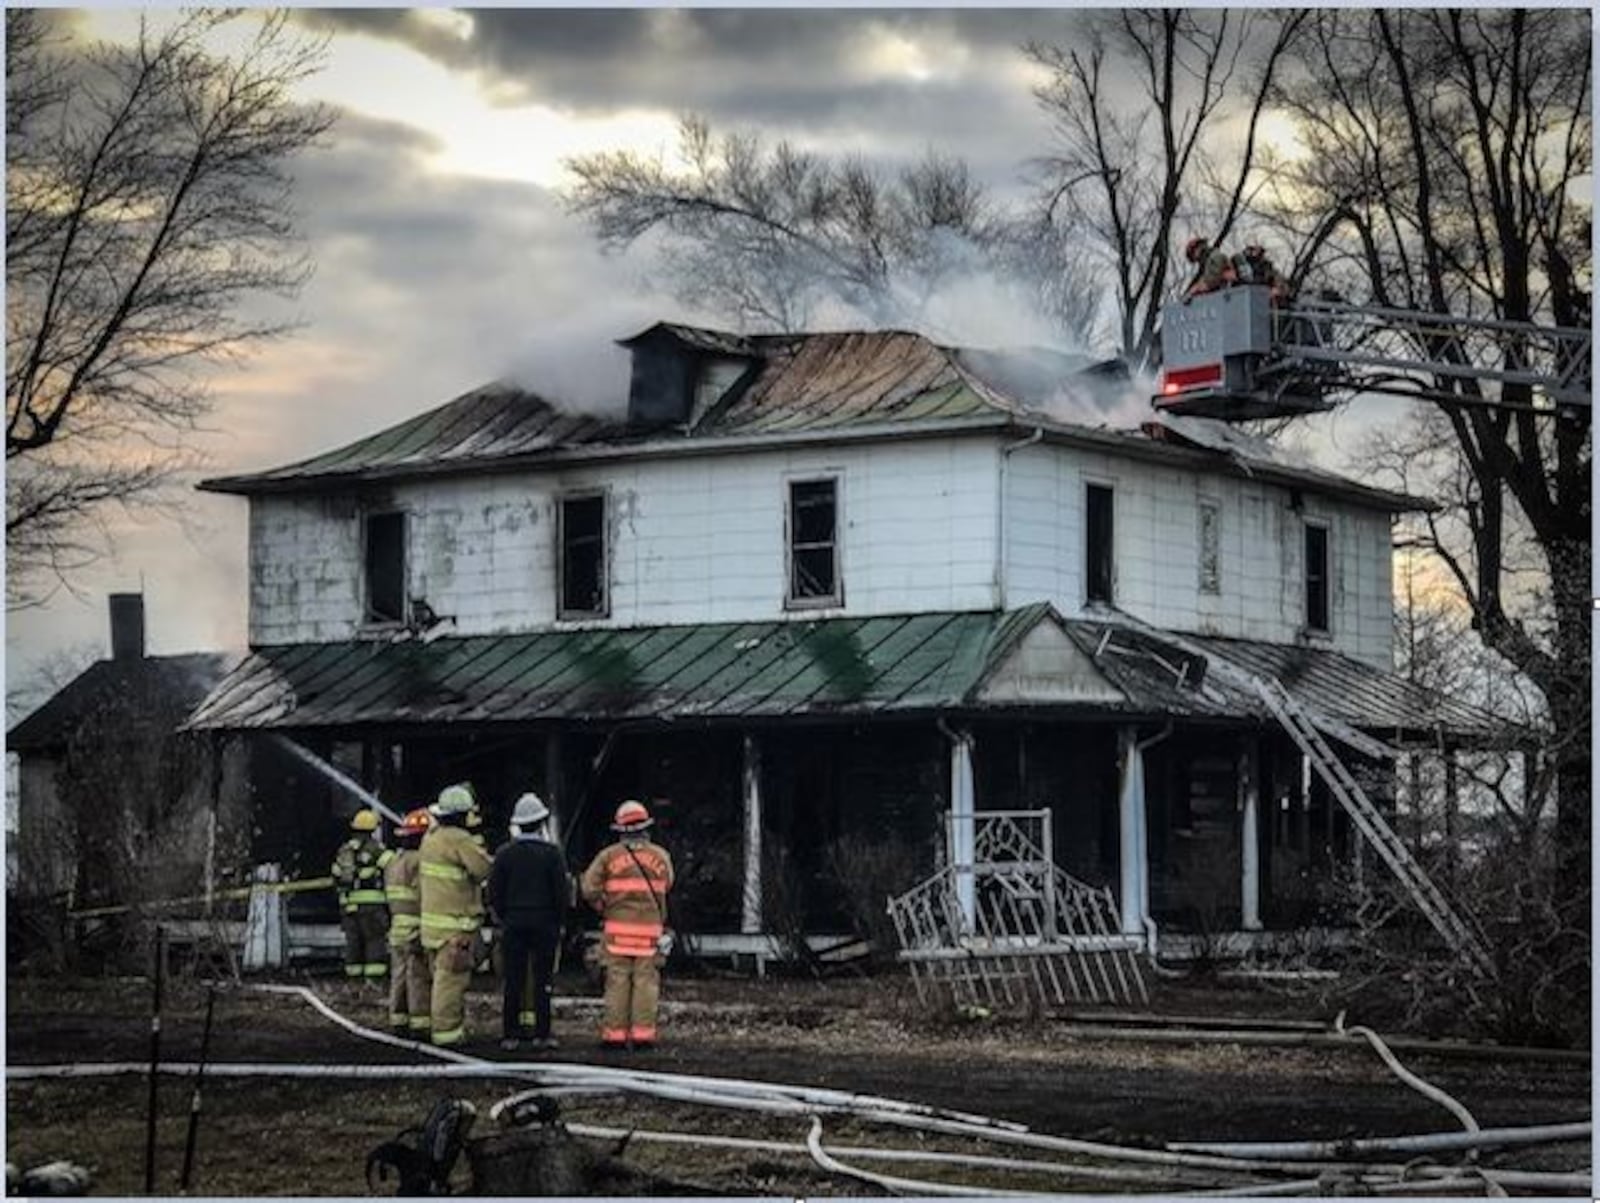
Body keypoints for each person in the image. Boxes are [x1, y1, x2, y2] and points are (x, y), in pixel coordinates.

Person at [580, 800, 674, 1051]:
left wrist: (604, 906)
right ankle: (643, 1036)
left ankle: (614, 1036)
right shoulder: (661, 856)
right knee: (646, 983)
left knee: (617, 982)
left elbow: (588, 888)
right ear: (646, 828)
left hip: (617, 934)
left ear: (620, 830)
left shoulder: (608, 857)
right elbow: (668, 885)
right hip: (649, 934)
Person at [488, 793, 570, 1051]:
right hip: (545, 922)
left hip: (513, 922)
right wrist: (560, 920)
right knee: (542, 979)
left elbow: (494, 892)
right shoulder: (552, 854)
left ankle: (510, 1034)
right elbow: (561, 892)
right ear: (541, 822)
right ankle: (542, 1034)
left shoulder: (504, 854)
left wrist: (504, 916)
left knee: (513, 979)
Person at [419, 784, 492, 1047]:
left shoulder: (430, 839)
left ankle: (439, 1027)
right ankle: (447, 1035)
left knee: (438, 979)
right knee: (450, 984)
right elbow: (483, 870)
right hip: (455, 930)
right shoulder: (460, 840)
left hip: (432, 929)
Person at [385, 808, 433, 1039]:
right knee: (418, 977)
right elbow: (427, 895)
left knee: (399, 974)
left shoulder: (394, 861)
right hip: (416, 926)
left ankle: (398, 1020)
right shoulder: (420, 863)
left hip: (397, 928)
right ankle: (420, 1023)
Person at [331, 810, 392, 982]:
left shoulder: (344, 851)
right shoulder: (376, 849)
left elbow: (336, 874)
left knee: (354, 944)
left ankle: (353, 981)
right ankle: (373, 981)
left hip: (348, 906)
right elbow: (393, 867)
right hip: (371, 907)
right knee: (375, 942)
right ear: (373, 830)